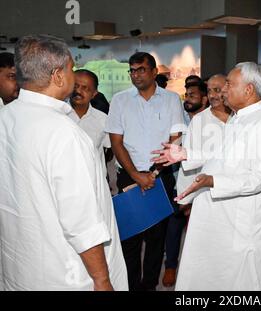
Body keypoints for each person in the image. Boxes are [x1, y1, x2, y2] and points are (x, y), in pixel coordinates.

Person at [0, 34, 127, 291]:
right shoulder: (63, 132)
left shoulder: (6, 116)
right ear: (58, 76)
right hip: (64, 271)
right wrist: (102, 279)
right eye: (70, 68)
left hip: (21, 264)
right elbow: (81, 222)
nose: (73, 75)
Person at [152, 62, 261, 290]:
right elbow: (223, 156)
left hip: (241, 220)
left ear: (249, 90)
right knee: (216, 276)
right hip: (221, 217)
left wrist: (213, 181)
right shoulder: (238, 118)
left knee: (243, 280)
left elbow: (260, 178)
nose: (224, 90)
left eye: (230, 84)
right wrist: (186, 153)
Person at [105, 51, 185, 291]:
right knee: (129, 238)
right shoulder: (120, 100)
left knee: (156, 237)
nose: (136, 74)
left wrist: (154, 172)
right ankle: (130, 286)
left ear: (153, 72)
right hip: (128, 175)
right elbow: (116, 142)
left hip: (160, 175)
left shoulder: (171, 99)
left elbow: (176, 138)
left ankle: (148, 286)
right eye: (132, 70)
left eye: (141, 69)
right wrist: (137, 175)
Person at [162, 74, 231, 287]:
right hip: (200, 189)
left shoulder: (239, 119)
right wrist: (186, 197)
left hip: (230, 189)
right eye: (209, 91)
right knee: (196, 237)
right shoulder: (200, 120)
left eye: (218, 90)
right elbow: (188, 159)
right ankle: (172, 266)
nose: (213, 95)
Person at [69, 69, 111, 177]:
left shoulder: (103, 120)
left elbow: (111, 150)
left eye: (85, 88)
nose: (78, 91)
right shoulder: (59, 115)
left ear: (94, 94)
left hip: (94, 184)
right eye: (75, 86)